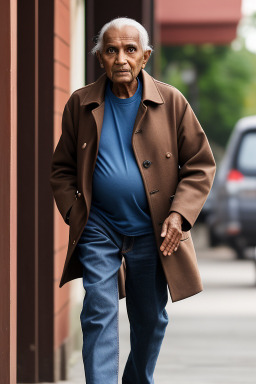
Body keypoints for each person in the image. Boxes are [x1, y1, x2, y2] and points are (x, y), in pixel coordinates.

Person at [50, 17, 216, 384]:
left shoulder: (171, 101)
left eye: (130, 50)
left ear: (145, 56)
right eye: (111, 51)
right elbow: (61, 169)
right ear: (100, 59)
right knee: (98, 310)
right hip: (99, 227)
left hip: (154, 232)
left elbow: (200, 165)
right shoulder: (81, 104)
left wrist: (179, 215)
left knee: (151, 319)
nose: (121, 58)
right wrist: (77, 213)